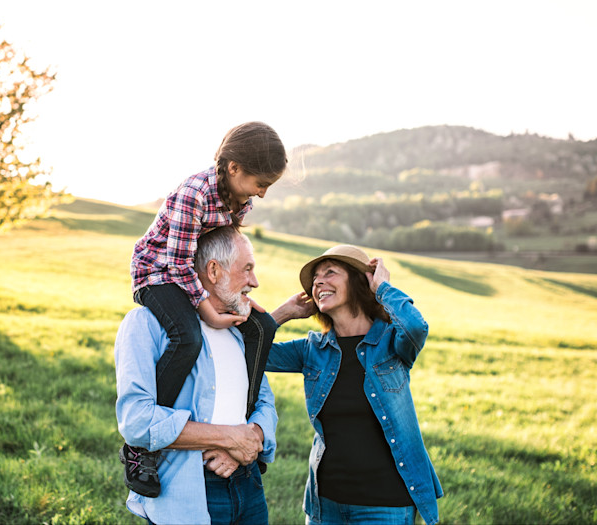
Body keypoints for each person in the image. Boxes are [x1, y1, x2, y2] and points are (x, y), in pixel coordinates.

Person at [122, 121, 287, 498]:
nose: (262, 193)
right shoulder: (194, 194)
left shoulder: (240, 199)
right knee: (187, 336)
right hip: (159, 275)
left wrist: (236, 293)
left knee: (260, 327)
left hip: (193, 276)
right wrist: (208, 310)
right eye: (261, 183)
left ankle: (244, 428)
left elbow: (223, 247)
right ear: (234, 168)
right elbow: (180, 263)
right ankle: (142, 449)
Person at [267, 244, 443, 525]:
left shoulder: (390, 342)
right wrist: (284, 313)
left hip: (385, 506)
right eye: (315, 278)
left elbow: (415, 326)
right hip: (326, 507)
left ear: (360, 282)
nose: (318, 282)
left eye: (330, 272)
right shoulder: (313, 349)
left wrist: (382, 288)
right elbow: (246, 352)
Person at [115, 226, 278, 525]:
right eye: (247, 269)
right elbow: (137, 420)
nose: (254, 282)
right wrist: (231, 438)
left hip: (248, 484)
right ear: (214, 271)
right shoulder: (146, 324)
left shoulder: (240, 331)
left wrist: (250, 438)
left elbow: (265, 403)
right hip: (189, 489)